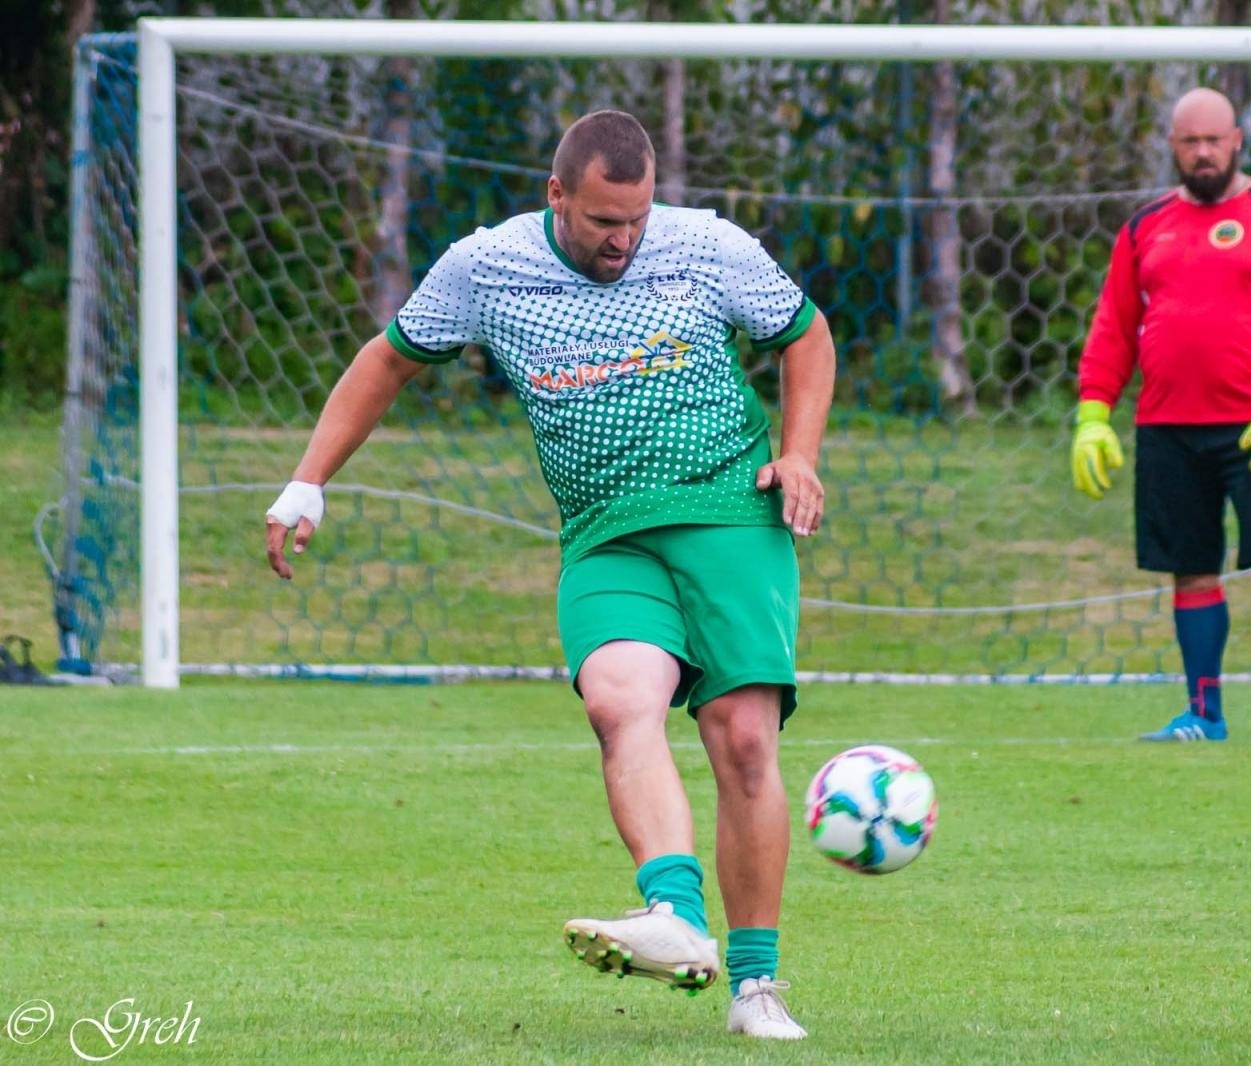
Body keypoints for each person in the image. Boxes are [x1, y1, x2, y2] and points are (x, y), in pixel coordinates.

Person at [264, 110, 833, 1039]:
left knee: (740, 741)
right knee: (617, 699)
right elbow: (388, 360)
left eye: (637, 219)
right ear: (557, 194)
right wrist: (306, 483)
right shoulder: (486, 266)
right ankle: (674, 914)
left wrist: (800, 453)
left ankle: (756, 988)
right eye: (605, 220)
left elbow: (806, 335)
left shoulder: (708, 246)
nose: (624, 240)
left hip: (731, 513)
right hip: (605, 535)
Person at [1070, 87, 1251, 744]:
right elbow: (1114, 327)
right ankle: (1204, 712)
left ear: (1237, 140)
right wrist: (1093, 413)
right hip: (1166, 427)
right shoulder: (1144, 227)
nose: (1203, 153)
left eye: (1213, 140)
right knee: (1190, 567)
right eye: (1190, 142)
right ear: (1173, 145)